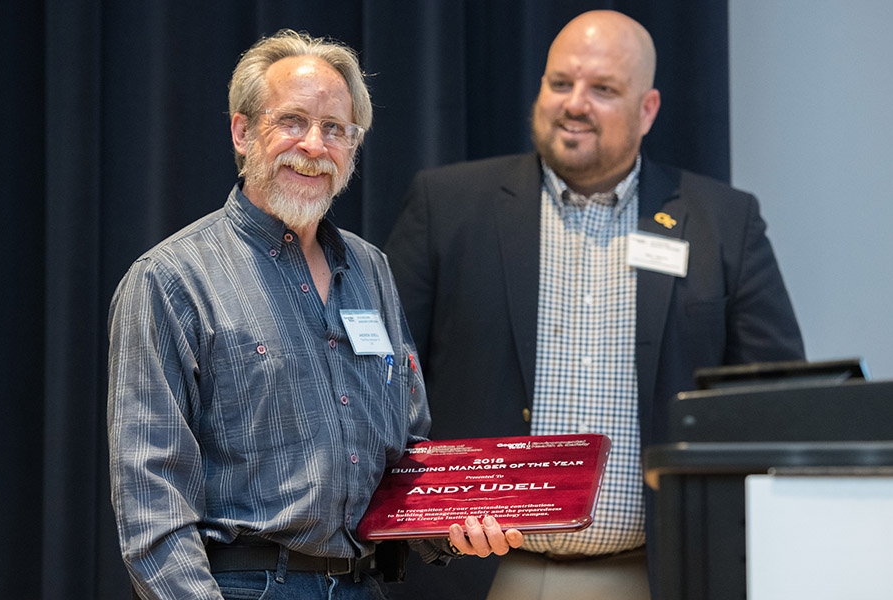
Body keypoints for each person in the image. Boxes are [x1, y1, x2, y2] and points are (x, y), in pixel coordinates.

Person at [384, 10, 804, 600]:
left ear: (648, 109)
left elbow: (771, 404)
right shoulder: (448, 206)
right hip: (479, 574)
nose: (574, 104)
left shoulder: (723, 224)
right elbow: (381, 387)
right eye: (561, 84)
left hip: (654, 574)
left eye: (603, 89)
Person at [107, 29, 522, 600]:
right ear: (243, 131)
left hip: (363, 586)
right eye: (292, 121)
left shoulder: (371, 269)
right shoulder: (169, 281)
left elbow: (408, 452)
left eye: (335, 130)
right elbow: (152, 506)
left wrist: (454, 524)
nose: (313, 145)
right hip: (243, 585)